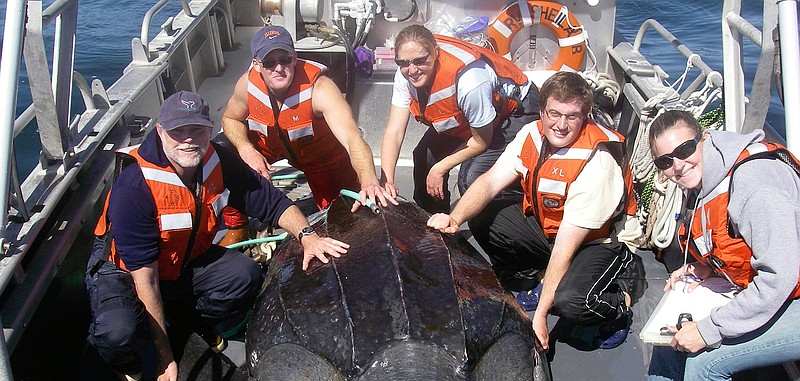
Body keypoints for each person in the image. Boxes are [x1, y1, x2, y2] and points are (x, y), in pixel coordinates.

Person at [86, 91, 349, 381]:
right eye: (178, 131)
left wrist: (308, 236)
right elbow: (145, 279)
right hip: (125, 273)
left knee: (244, 276)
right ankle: (126, 352)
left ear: (209, 130)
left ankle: (184, 319)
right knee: (119, 333)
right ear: (159, 131)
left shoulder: (217, 159)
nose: (188, 140)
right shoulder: (135, 186)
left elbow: (271, 202)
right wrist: (165, 355)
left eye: (196, 130)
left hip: (182, 262)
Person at [632, 110, 800, 381]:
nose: (678, 165)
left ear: (703, 138)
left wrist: (711, 330)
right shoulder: (707, 177)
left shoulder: (756, 185)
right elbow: (737, 245)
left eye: (686, 150)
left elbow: (779, 277)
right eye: (665, 161)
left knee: (710, 359)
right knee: (679, 309)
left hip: (790, 295)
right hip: (774, 289)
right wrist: (701, 270)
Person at [427, 71, 641, 351]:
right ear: (541, 111)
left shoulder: (597, 163)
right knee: (483, 215)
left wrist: (539, 315)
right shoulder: (532, 133)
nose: (561, 125)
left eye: (572, 116)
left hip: (599, 243)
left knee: (572, 303)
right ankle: (542, 276)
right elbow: (491, 181)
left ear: (585, 116)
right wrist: (454, 218)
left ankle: (619, 305)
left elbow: (567, 244)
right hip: (552, 228)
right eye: (554, 113)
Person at [222, 25, 395, 227]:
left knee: (346, 218)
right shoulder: (247, 85)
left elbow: (352, 139)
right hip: (271, 147)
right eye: (269, 62)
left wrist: (369, 182)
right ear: (257, 64)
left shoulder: (320, 90)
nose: (278, 68)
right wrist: (246, 149)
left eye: (285, 60)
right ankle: (237, 226)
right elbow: (230, 119)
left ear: (294, 58)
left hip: (323, 160)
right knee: (225, 157)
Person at [380, 24, 539, 214]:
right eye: (404, 63)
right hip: (471, 117)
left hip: (515, 111)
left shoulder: (470, 81)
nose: (412, 70)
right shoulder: (405, 74)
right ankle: (434, 227)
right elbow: (394, 131)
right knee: (423, 157)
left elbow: (481, 141)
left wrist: (441, 168)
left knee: (471, 178)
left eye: (420, 61)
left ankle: (505, 225)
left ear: (435, 52)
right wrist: (386, 180)